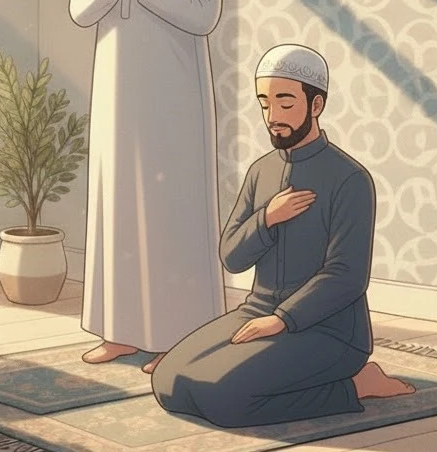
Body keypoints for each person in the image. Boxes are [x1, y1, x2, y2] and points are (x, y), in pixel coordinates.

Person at [151, 43, 415, 427]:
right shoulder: (261, 171)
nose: (272, 116)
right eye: (264, 103)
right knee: (169, 382)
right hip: (257, 312)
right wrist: (266, 220)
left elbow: (346, 276)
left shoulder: (350, 179)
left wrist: (282, 319)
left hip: (328, 331)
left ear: (316, 105)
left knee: (224, 399)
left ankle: (357, 384)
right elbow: (231, 256)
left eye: (285, 103)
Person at [69, 0, 225, 375]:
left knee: (169, 212)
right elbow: (79, 7)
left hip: (173, 102)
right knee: (117, 208)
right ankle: (120, 330)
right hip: (116, 99)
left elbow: (203, 13)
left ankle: (177, 336)